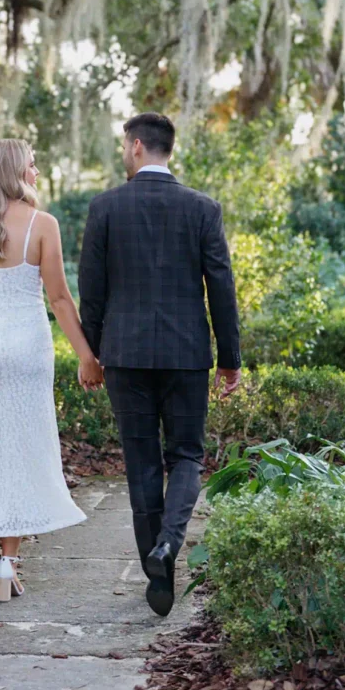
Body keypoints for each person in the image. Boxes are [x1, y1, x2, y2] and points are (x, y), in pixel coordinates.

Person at [77, 112, 241, 618]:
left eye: (125, 145)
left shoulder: (105, 207)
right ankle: (169, 542)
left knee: (142, 462)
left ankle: (159, 568)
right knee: (187, 456)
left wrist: (94, 351)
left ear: (137, 146)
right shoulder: (202, 209)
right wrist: (230, 359)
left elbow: (92, 290)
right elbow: (222, 287)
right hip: (187, 354)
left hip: (125, 355)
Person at [0, 138, 102, 602]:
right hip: (27, 348)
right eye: (33, 164)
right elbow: (58, 299)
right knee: (23, 447)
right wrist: (86, 356)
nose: (37, 171)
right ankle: (6, 563)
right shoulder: (42, 224)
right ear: (17, 172)